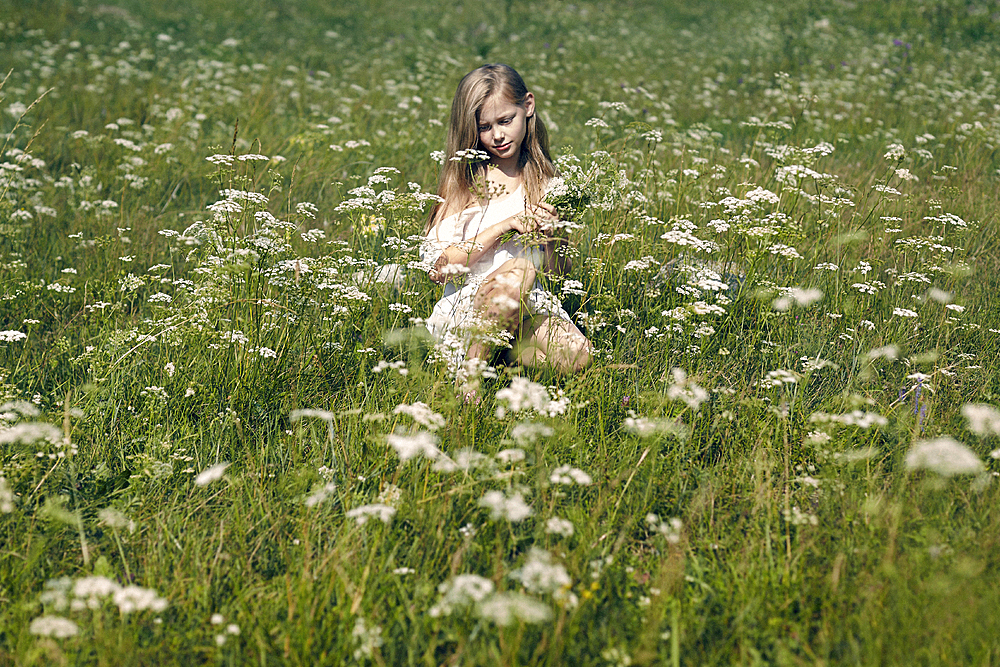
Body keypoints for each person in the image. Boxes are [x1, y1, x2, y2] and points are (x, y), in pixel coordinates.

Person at [420, 64, 592, 388]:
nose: (497, 135)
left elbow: (559, 276)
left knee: (578, 355)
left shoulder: (545, 182)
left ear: (527, 107)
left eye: (505, 121)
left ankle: (495, 358)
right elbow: (438, 269)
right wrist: (504, 226)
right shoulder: (465, 182)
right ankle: (469, 379)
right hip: (468, 308)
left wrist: (553, 239)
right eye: (485, 127)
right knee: (519, 268)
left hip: (527, 308)